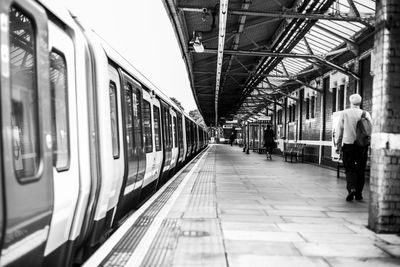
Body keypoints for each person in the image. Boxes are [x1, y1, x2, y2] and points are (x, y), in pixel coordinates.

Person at [335, 93, 372, 201]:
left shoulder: (344, 113)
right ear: (360, 102)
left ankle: (351, 189)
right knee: (360, 169)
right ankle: (359, 193)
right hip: (362, 147)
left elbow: (339, 130)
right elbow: (370, 130)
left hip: (348, 146)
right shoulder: (366, 114)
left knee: (349, 168)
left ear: (350, 102)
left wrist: (338, 145)